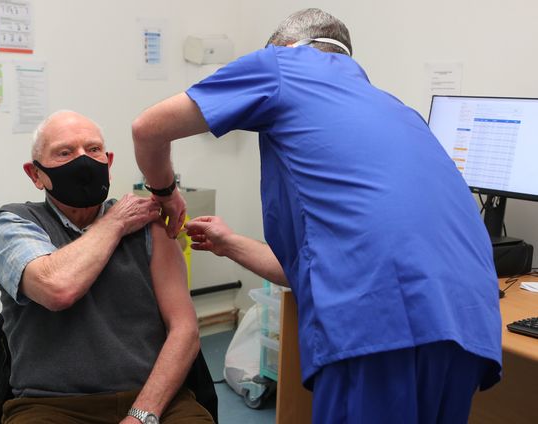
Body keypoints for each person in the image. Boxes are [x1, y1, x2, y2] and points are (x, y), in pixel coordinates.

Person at [131, 8, 502, 423]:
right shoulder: (396, 109)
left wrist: (165, 194)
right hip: (469, 321)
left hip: (381, 323)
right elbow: (323, 270)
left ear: (286, 47)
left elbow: (147, 128)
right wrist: (230, 243)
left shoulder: (280, 64)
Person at [0, 110, 214, 424]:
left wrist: (141, 415)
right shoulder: (14, 223)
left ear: (108, 163)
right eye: (65, 152)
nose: (83, 160)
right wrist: (115, 223)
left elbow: (185, 330)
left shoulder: (150, 227)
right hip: (50, 406)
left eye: (93, 150)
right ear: (35, 174)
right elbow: (58, 288)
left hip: (153, 398)